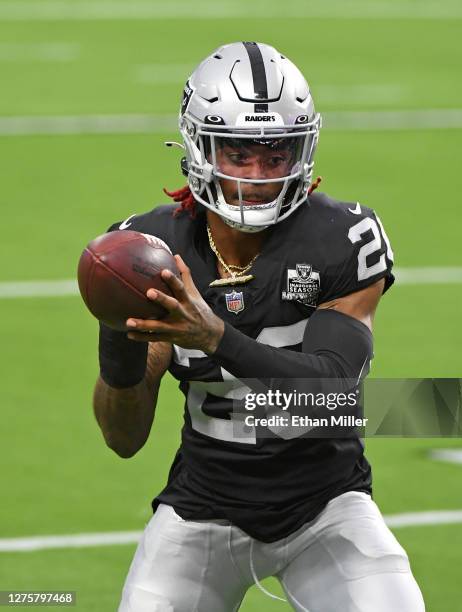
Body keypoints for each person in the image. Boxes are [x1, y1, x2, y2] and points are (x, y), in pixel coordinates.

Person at [93, 42, 425, 611]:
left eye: (276, 155)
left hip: (326, 510)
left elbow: (333, 391)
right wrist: (118, 337)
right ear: (199, 147)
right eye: (239, 153)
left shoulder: (342, 239)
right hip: (199, 512)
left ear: (304, 152)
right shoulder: (150, 250)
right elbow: (124, 439)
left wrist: (215, 338)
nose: (257, 175)